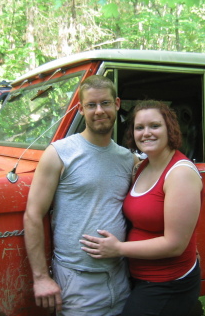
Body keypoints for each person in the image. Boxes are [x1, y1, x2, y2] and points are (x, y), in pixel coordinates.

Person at [23, 75, 138, 315]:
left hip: (120, 277)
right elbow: (33, 215)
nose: (99, 111)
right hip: (77, 281)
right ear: (80, 109)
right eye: (91, 105)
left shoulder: (128, 160)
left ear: (117, 104)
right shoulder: (60, 153)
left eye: (105, 103)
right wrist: (41, 277)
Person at [80, 99, 203, 316]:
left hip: (168, 282)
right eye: (139, 127)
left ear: (170, 129)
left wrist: (117, 249)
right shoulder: (141, 166)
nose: (146, 133)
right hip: (139, 277)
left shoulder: (180, 173)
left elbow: (174, 245)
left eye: (154, 126)